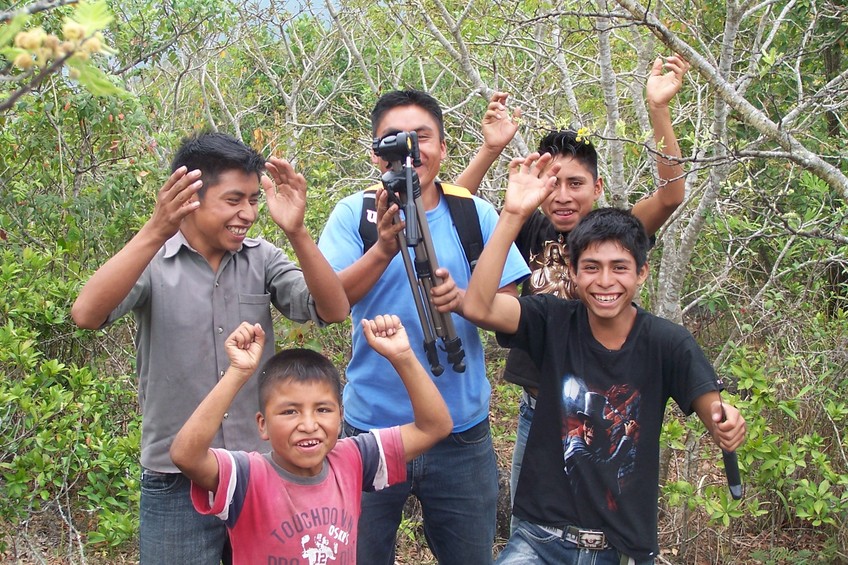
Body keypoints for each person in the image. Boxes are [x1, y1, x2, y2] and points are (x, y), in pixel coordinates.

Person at [70, 132, 350, 564]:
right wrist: (154, 228)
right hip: (175, 477)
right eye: (234, 200)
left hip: (258, 470)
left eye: (254, 200)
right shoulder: (152, 261)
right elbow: (86, 315)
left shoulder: (264, 258)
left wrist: (297, 231)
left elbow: (331, 309)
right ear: (189, 197)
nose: (249, 214)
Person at [463, 153, 746, 564]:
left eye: (620, 268)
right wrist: (512, 213)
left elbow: (711, 405)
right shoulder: (552, 321)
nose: (606, 281)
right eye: (591, 268)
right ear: (573, 273)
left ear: (642, 272)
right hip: (540, 541)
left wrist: (725, 421)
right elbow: (478, 306)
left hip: (623, 549)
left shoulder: (667, 342)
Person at [458, 56, 691, 528]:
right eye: (552, 184)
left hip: (605, 406)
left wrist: (657, 108)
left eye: (575, 184)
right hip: (538, 406)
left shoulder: (616, 236)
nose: (562, 196)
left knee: (602, 527)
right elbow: (451, 207)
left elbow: (670, 196)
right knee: (531, 526)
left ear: (598, 186)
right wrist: (490, 152)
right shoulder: (525, 227)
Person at [317, 89, 531, 564]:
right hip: (371, 430)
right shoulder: (356, 215)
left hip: (461, 431)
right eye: (395, 139)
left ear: (443, 147)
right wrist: (382, 250)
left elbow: (511, 309)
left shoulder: (473, 213)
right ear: (377, 152)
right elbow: (329, 302)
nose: (411, 150)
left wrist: (465, 303)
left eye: (423, 137)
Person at [169, 314, 453, 563]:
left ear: (340, 415)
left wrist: (403, 356)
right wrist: (238, 372)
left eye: (322, 409)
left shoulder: (352, 459)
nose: (308, 424)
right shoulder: (246, 477)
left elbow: (434, 427)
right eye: (290, 411)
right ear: (263, 424)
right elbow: (186, 455)